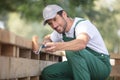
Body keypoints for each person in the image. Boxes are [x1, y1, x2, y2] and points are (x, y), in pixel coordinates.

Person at [32, 4, 111, 80]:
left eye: (55, 19)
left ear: (64, 14)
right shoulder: (60, 32)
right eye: (50, 24)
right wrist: (46, 42)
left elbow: (81, 43)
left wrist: (58, 46)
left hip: (100, 66)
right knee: (49, 73)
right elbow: (48, 37)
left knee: (73, 50)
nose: (54, 25)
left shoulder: (82, 25)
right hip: (80, 66)